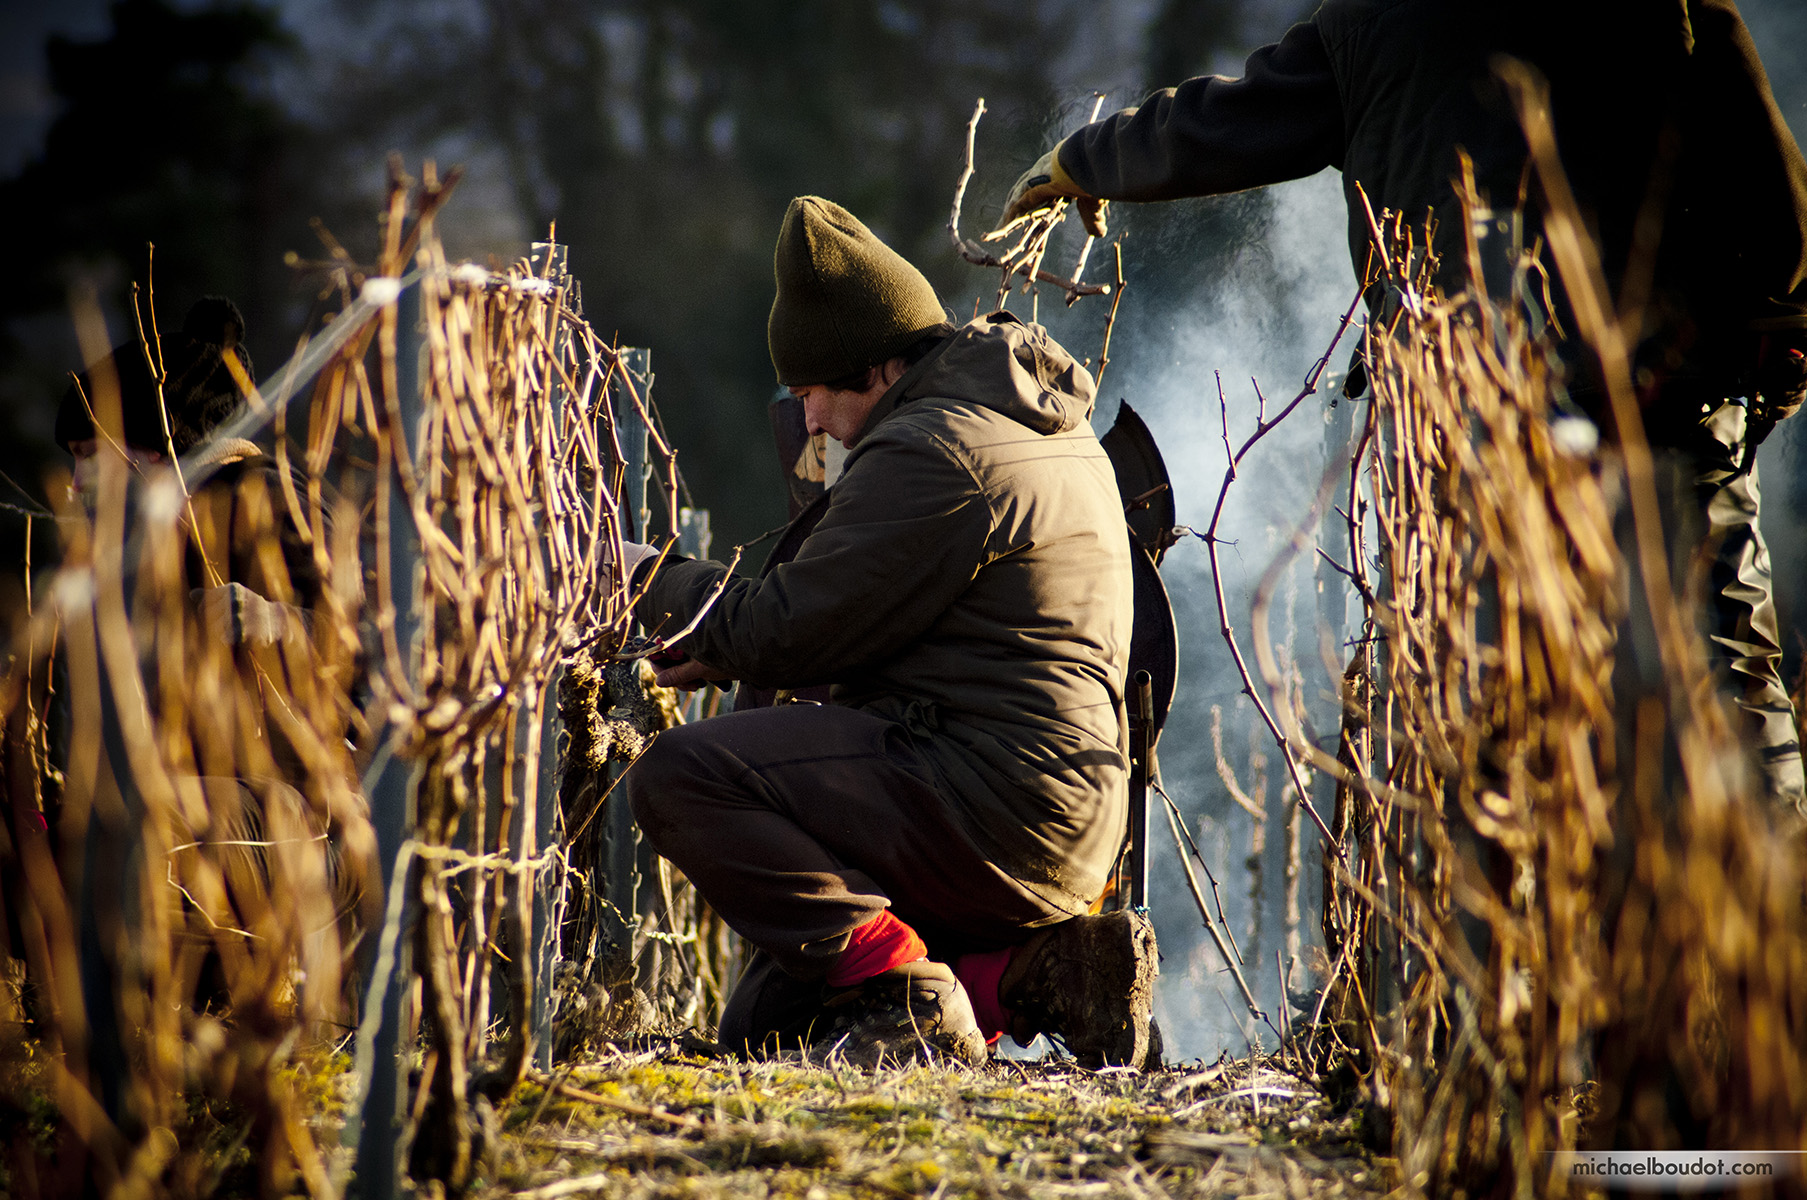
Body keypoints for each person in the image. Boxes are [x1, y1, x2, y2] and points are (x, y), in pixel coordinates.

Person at [998, 0, 1807, 806]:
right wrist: (1770, 360)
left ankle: (1517, 924)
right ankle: (1769, 910)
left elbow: (1226, 124)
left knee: (1489, 725)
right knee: (1721, 682)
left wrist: (1081, 160)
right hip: (1663, 402)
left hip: (1469, 429)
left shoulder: (1379, 16)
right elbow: (1778, 210)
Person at [618, 197, 1158, 1067]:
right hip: (1044, 806)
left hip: (995, 802)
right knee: (763, 1034)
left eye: (813, 396)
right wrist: (722, 641)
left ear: (869, 368)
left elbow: (793, 629)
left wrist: (647, 580)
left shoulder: (933, 450)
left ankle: (911, 989)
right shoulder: (1024, 425)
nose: (813, 424)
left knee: (682, 776)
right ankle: (1030, 970)